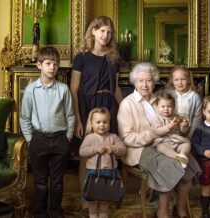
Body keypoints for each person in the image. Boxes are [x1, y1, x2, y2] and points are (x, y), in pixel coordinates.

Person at [117, 62, 201, 218]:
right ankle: (162, 211)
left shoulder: (160, 100)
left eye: (148, 80)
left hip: (165, 144)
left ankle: (180, 207)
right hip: (139, 149)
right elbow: (127, 138)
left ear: (154, 81)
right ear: (134, 82)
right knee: (168, 165)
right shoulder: (127, 104)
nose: (144, 84)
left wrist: (182, 125)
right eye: (140, 80)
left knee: (190, 163)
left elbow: (171, 125)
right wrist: (152, 135)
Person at [70, 16, 123, 215]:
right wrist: (77, 118)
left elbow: (116, 88)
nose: (105, 35)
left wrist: (124, 108)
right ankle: (87, 200)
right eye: (102, 31)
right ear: (93, 31)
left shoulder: (113, 58)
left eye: (109, 32)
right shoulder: (82, 57)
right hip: (87, 107)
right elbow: (74, 89)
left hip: (108, 105)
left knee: (110, 151)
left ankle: (108, 195)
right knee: (88, 154)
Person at [20, 46, 75, 218]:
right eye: (48, 63)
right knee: (40, 181)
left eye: (56, 65)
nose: (52, 67)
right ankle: (39, 212)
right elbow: (24, 117)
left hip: (60, 140)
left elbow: (70, 115)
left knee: (57, 181)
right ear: (39, 65)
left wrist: (67, 138)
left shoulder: (63, 89)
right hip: (39, 140)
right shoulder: (30, 90)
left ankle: (56, 211)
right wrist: (30, 140)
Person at [79, 107, 126, 218]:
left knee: (106, 197)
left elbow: (123, 149)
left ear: (109, 123)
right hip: (93, 172)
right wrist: (95, 149)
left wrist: (113, 148)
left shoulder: (113, 137)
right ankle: (93, 215)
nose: (102, 125)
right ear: (91, 123)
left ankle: (104, 215)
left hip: (110, 173)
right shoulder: (89, 138)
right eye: (98, 122)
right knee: (92, 197)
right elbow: (82, 152)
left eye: (105, 122)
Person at [151, 92, 191, 168]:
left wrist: (184, 126)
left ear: (173, 107)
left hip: (176, 142)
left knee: (187, 145)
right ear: (157, 107)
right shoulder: (156, 118)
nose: (166, 109)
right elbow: (158, 132)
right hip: (164, 141)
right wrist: (169, 126)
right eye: (163, 106)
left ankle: (182, 155)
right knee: (160, 147)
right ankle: (177, 157)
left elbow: (183, 132)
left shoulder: (177, 117)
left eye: (169, 106)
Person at [166, 65, 202, 138]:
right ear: (172, 81)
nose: (180, 83)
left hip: (187, 132)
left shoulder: (195, 97)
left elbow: (197, 120)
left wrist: (189, 137)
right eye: (176, 80)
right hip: (169, 131)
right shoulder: (168, 95)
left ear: (188, 80)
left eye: (183, 79)